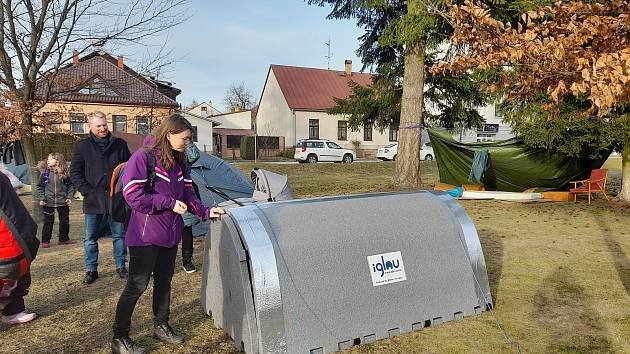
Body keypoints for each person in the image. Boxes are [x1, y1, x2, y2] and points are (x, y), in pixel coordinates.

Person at [112, 114, 223, 354]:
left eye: (190, 139)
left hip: (171, 234)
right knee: (137, 286)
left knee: (164, 282)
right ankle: (120, 337)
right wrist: (167, 203)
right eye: (184, 138)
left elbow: (188, 195)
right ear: (169, 134)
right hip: (144, 235)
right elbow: (133, 195)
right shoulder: (143, 158)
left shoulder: (180, 161)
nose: (187, 143)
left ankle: (161, 326)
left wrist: (205, 211)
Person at [70, 111, 131, 285]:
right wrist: (85, 190)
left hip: (116, 200)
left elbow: (129, 168)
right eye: (98, 126)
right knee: (90, 238)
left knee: (119, 235)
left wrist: (124, 191)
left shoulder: (120, 144)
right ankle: (91, 270)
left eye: (104, 125)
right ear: (90, 126)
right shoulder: (82, 146)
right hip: (93, 200)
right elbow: (75, 172)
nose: (103, 128)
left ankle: (121, 266)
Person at [0, 170, 39, 326]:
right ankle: (12, 309)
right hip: (15, 238)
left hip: (15, 240)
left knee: (14, 270)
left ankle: (13, 310)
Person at [36, 153, 77, 248]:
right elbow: (40, 187)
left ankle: (64, 239)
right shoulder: (44, 174)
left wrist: (69, 197)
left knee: (64, 221)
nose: (48, 160)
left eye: (51, 159)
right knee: (48, 222)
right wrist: (42, 198)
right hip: (48, 202)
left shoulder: (65, 174)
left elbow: (71, 186)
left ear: (58, 161)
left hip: (63, 202)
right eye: (48, 159)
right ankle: (45, 241)